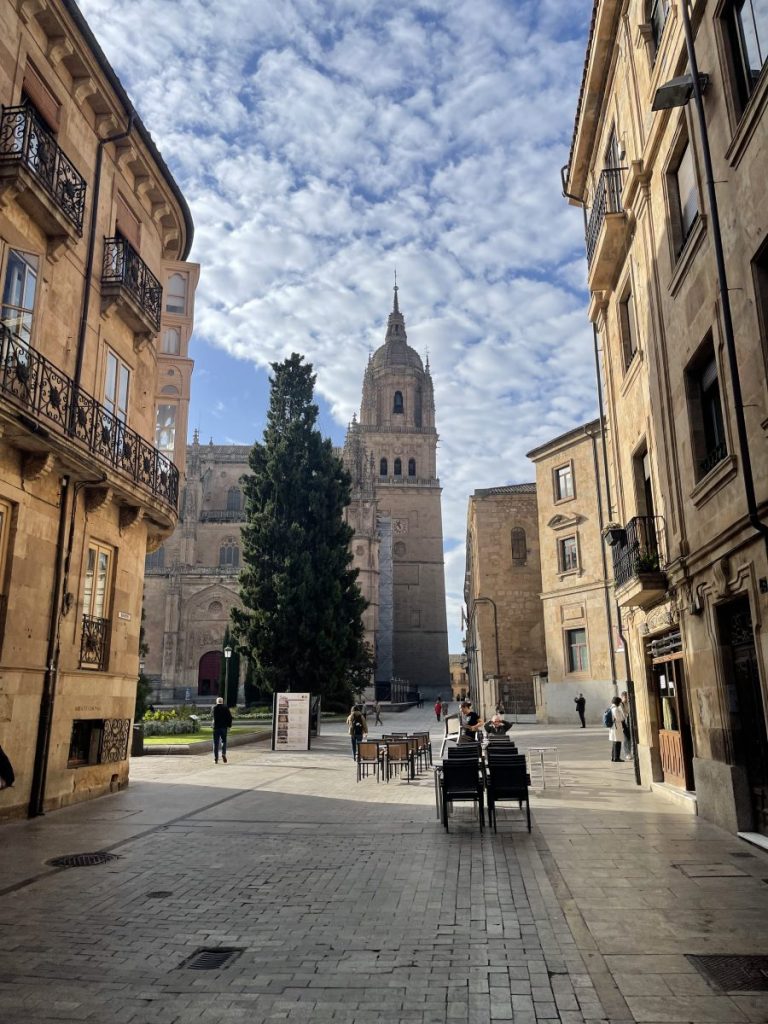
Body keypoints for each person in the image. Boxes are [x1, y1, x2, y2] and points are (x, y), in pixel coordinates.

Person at [212, 697, 233, 764]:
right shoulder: (226, 708)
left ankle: (216, 759)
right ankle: (223, 753)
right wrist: (229, 726)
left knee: (216, 743)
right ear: (222, 702)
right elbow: (230, 717)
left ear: (217, 702)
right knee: (224, 741)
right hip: (224, 727)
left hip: (216, 727)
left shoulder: (214, 708)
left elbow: (213, 716)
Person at [608, 696, 625, 762]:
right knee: (617, 742)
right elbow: (620, 718)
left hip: (614, 727)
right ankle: (617, 757)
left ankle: (613, 757)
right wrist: (622, 715)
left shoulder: (612, 708)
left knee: (615, 742)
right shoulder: (615, 709)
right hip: (616, 727)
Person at [620, 691, 632, 760]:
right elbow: (623, 714)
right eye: (625, 697)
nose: (626, 698)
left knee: (629, 737)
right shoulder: (621, 704)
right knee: (625, 739)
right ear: (622, 697)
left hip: (629, 722)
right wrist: (627, 714)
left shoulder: (628, 703)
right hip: (623, 723)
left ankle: (629, 752)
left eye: (627, 697)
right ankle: (627, 753)